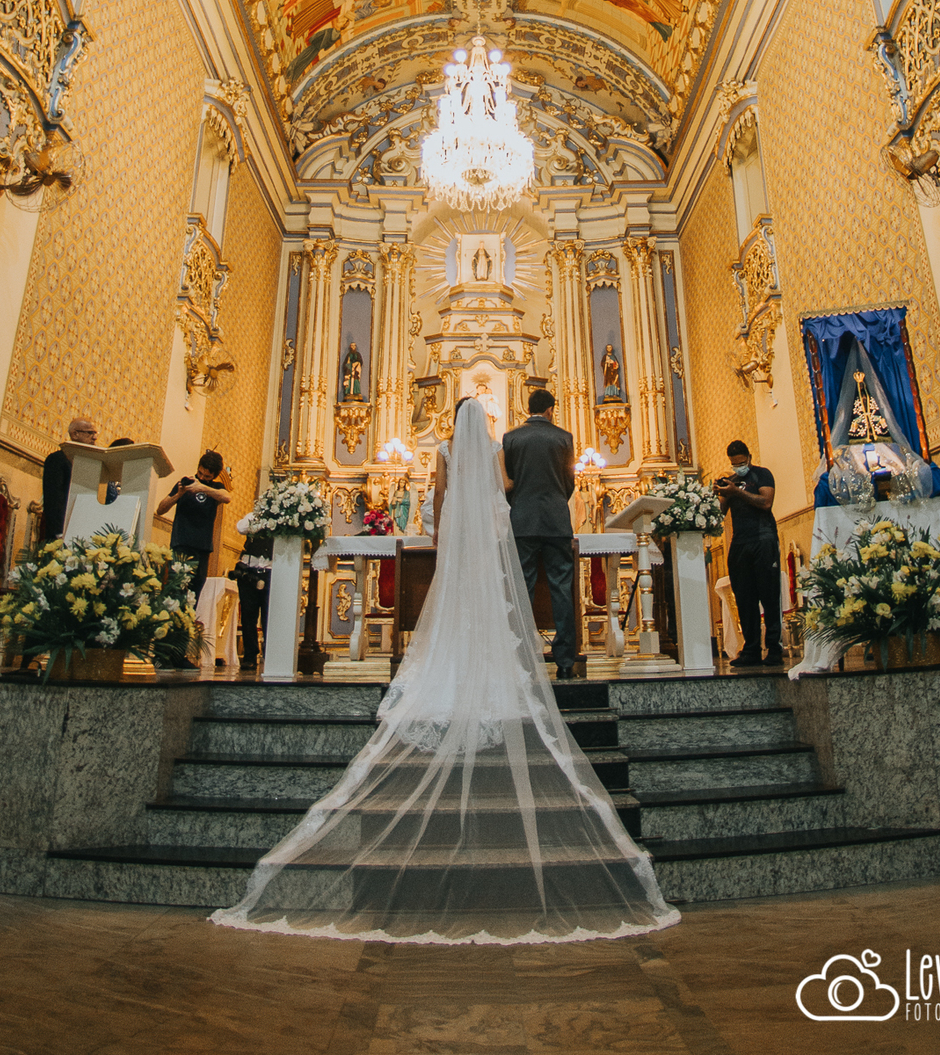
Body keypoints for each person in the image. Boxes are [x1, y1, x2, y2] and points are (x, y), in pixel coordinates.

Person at [211, 399, 678, 944]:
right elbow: (523, 487)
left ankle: (465, 666)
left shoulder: (460, 449)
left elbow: (441, 493)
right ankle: (559, 655)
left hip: (476, 529)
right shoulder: (516, 447)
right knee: (534, 596)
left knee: (477, 600)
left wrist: (440, 529)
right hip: (530, 519)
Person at [502, 388, 578, 681]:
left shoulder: (511, 438)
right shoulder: (563, 438)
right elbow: (568, 481)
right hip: (557, 521)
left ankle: (522, 657)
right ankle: (564, 660)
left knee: (523, 590)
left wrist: (519, 505)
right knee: (561, 588)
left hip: (522, 521)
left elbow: (507, 482)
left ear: (529, 408)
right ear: (550, 410)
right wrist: (557, 499)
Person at [717, 439, 782, 668]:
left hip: (763, 540)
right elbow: (720, 513)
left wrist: (737, 492)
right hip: (740, 542)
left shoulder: (761, 475)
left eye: (742, 463)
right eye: (735, 464)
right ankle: (752, 648)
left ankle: (774, 648)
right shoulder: (731, 482)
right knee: (745, 598)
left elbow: (765, 502)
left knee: (769, 595)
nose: (738, 467)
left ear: (749, 458)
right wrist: (720, 493)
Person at [153, 450, 232, 616]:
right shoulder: (185, 482)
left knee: (193, 596)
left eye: (207, 476)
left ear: (214, 476)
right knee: (175, 593)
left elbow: (226, 497)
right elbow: (160, 509)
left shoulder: (216, 488)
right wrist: (180, 494)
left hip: (202, 548)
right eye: (200, 473)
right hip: (181, 545)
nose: (202, 477)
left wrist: (202, 487)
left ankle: (185, 632)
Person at [40, 416, 96, 544]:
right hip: (60, 533)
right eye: (90, 433)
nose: (94, 438)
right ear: (75, 434)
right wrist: (58, 534)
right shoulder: (58, 459)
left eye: (95, 433)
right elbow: (53, 499)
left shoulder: (88, 464)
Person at [231, 512, 273, 672]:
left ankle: (269, 654)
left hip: (270, 570)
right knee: (249, 616)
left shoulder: (281, 520)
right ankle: (250, 656)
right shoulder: (254, 516)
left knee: (268, 617)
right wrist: (260, 519)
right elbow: (241, 527)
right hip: (250, 571)